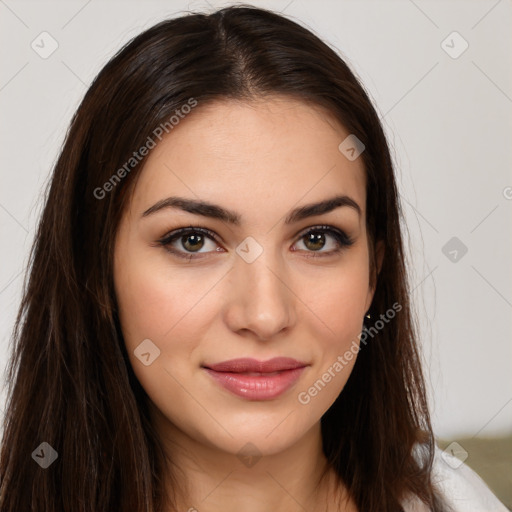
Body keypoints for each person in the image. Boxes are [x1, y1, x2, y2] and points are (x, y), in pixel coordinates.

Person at [0, 5, 507, 512]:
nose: (265, 315)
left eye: (317, 239)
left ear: (375, 270)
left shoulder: (456, 501)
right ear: (95, 271)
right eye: (193, 240)